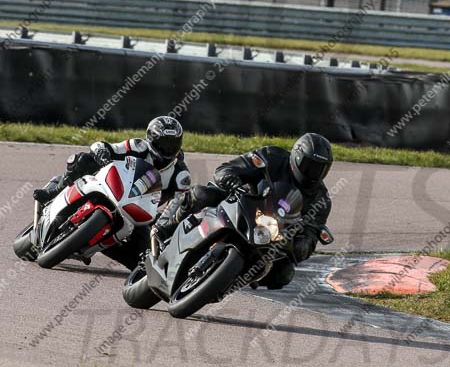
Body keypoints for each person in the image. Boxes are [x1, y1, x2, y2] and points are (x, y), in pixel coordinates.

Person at [153, 132, 333, 289]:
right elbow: (227, 168)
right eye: (310, 165)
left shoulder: (321, 200)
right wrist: (231, 179)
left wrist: (300, 246)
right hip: (242, 201)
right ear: (297, 156)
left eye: (320, 169)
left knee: (284, 273)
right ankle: (165, 228)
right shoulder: (272, 156)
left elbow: (311, 235)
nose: (314, 172)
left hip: (272, 232)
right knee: (200, 195)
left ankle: (229, 282)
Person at [33, 116, 191, 269]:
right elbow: (105, 147)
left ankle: (101, 244)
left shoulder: (181, 175)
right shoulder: (138, 146)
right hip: (115, 185)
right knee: (83, 160)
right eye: (163, 143)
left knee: (142, 258)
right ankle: (55, 191)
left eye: (172, 144)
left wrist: (160, 223)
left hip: (140, 210)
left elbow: (176, 206)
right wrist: (102, 151)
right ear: (151, 139)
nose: (167, 149)